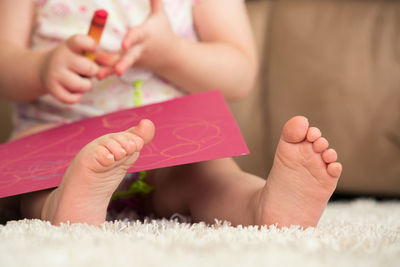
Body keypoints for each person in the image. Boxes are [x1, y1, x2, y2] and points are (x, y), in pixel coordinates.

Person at [0, 0, 342, 228]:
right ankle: (63, 207)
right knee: (35, 182)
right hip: (61, 142)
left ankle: (260, 206)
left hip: (170, 148)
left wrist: (170, 53)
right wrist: (41, 68)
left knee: (212, 177)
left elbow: (240, 74)